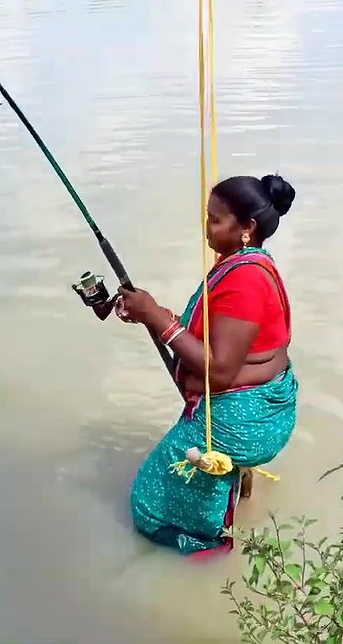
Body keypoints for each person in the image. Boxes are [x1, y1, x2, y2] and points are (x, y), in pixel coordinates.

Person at [113, 173, 298, 557]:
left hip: (246, 420)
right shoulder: (244, 264)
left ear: (247, 228)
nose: (206, 227)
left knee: (149, 507)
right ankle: (229, 489)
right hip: (258, 404)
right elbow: (215, 344)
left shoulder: (246, 278)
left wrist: (156, 318)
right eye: (207, 216)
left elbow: (219, 372)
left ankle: (207, 549)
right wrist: (150, 313)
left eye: (215, 219)